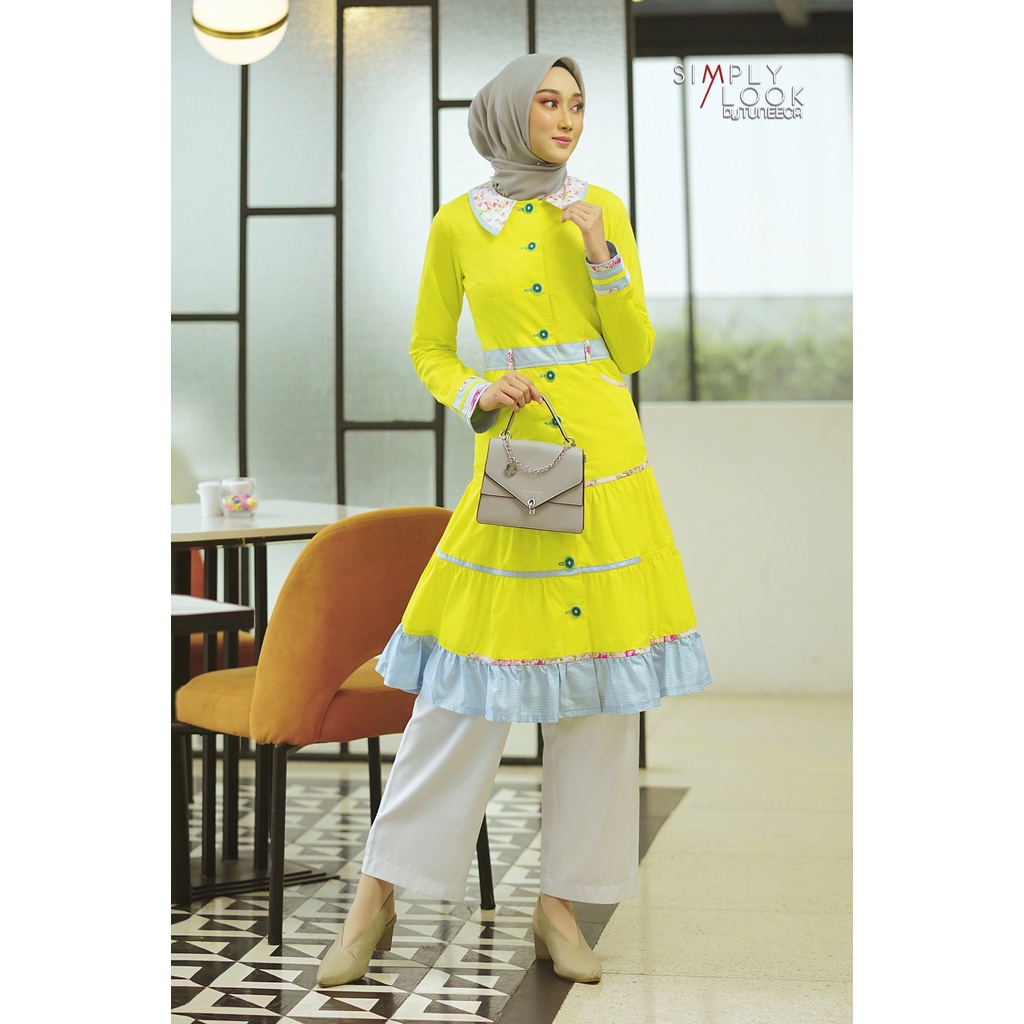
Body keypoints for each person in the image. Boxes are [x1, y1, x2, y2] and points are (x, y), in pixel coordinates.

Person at [317, 53, 712, 988]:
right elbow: (428, 345)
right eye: (548, 102)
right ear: (507, 113)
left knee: (601, 695)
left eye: (577, 104)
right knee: (462, 691)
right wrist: (475, 391)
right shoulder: (459, 222)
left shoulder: (600, 207)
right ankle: (376, 897)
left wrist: (603, 256)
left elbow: (634, 348)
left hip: (607, 465)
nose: (567, 118)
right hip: (519, 465)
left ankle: (561, 909)